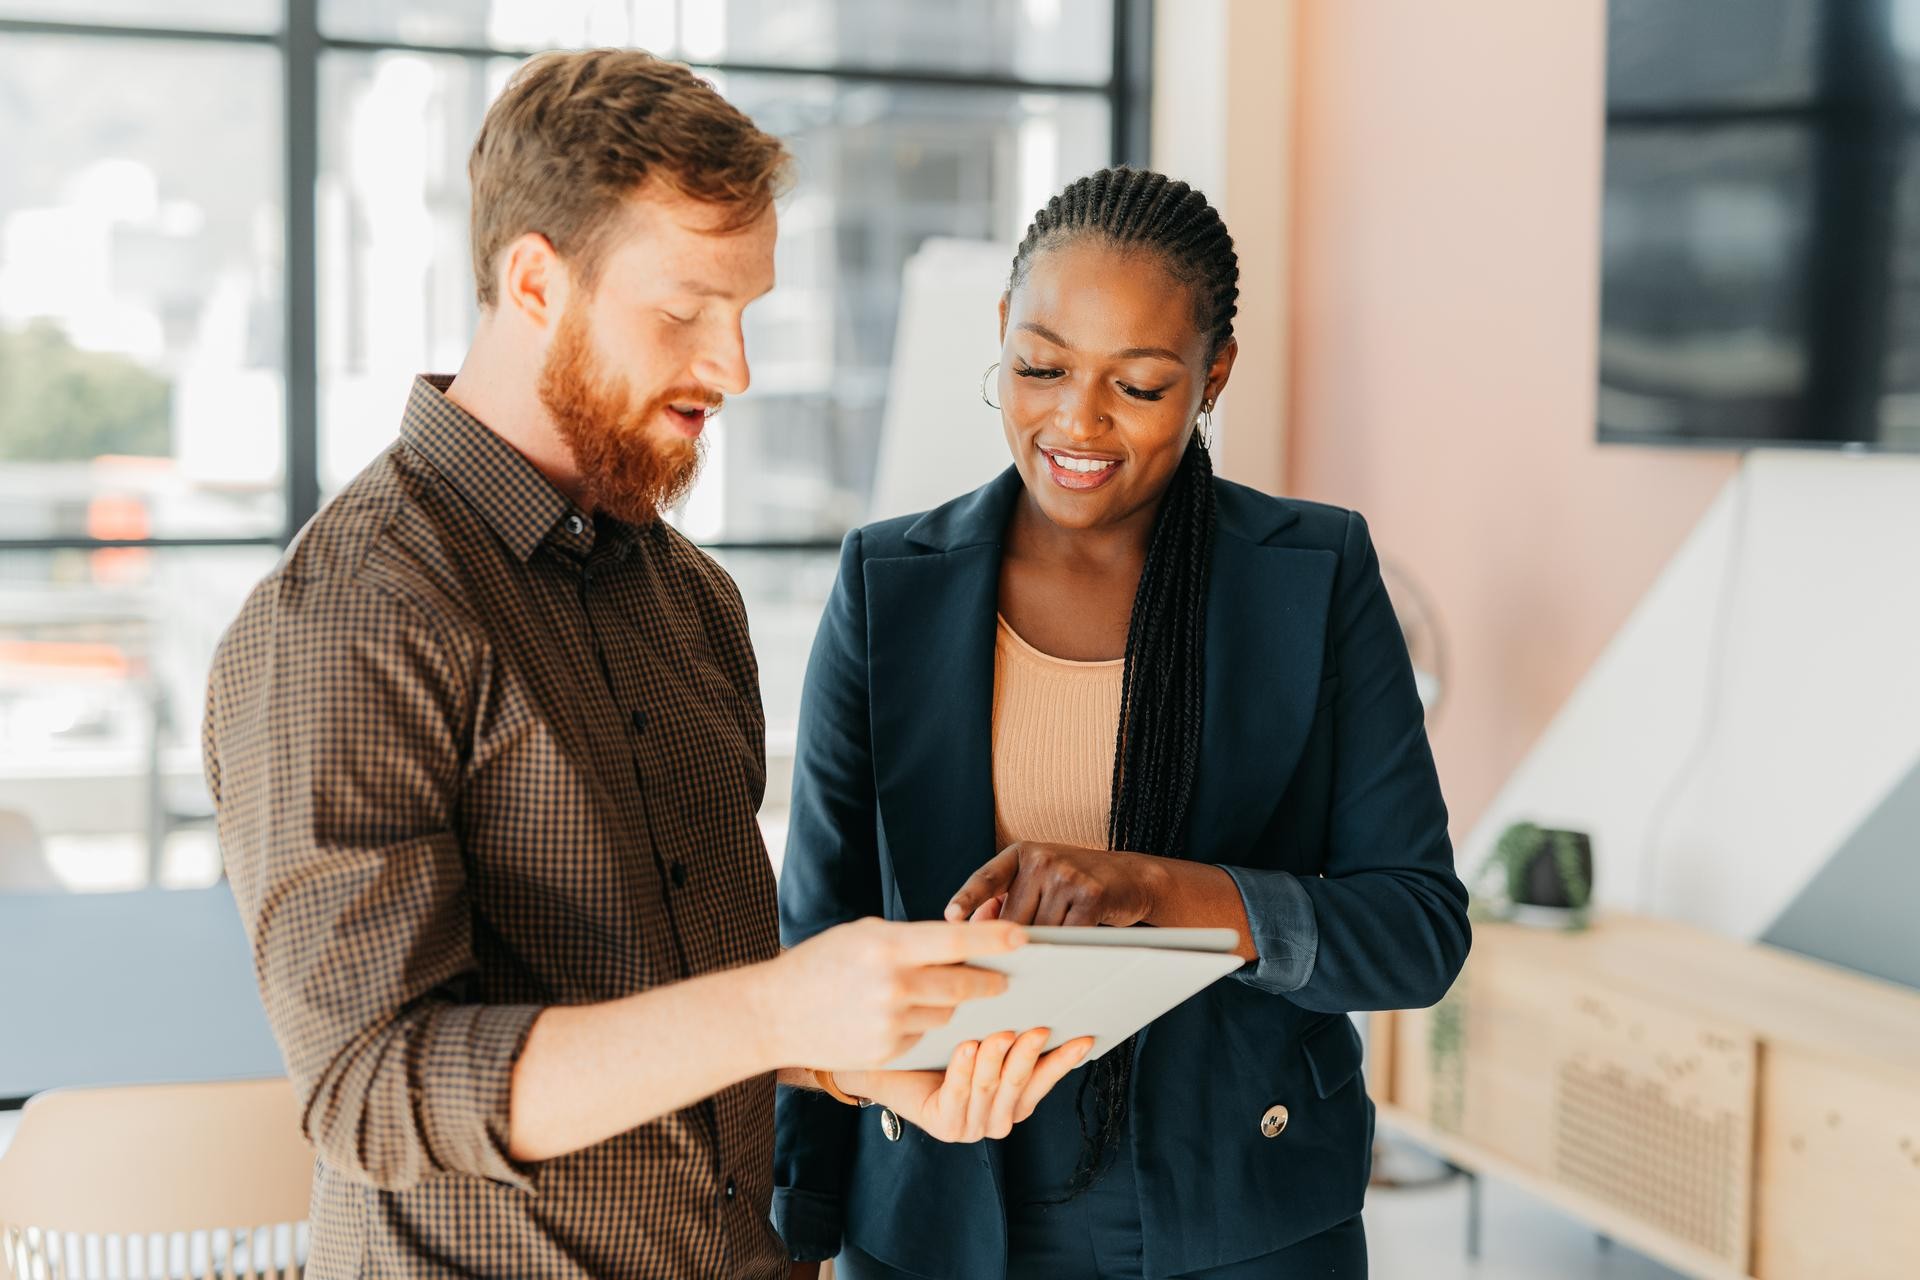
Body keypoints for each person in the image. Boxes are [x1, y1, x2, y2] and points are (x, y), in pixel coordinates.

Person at [202, 49, 1087, 1280]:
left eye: (746, 312)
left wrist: (841, 1050)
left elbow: (678, 1001)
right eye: (683, 311)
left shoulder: (691, 598)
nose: (732, 367)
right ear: (533, 282)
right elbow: (370, 1089)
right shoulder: (352, 617)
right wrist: (783, 1008)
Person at [774, 167, 1472, 1279]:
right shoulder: (887, 585)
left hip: (1244, 1213)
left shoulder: (1314, 573)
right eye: (1041, 365)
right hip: (934, 1215)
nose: (1076, 421)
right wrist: (797, 1224)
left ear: (1212, 377)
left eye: (1139, 386)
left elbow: (1419, 928)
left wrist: (1164, 891)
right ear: (1000, 334)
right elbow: (818, 934)